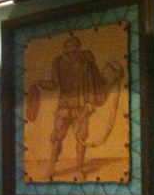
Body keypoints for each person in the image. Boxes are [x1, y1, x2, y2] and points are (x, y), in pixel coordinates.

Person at [38, 35, 111, 180]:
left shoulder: (86, 59)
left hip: (82, 105)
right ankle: (51, 168)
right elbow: (54, 84)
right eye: (66, 46)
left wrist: (92, 100)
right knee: (56, 137)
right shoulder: (58, 62)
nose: (68, 49)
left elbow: (95, 80)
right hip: (64, 105)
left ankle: (79, 169)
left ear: (78, 47)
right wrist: (39, 83)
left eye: (72, 46)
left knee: (81, 138)